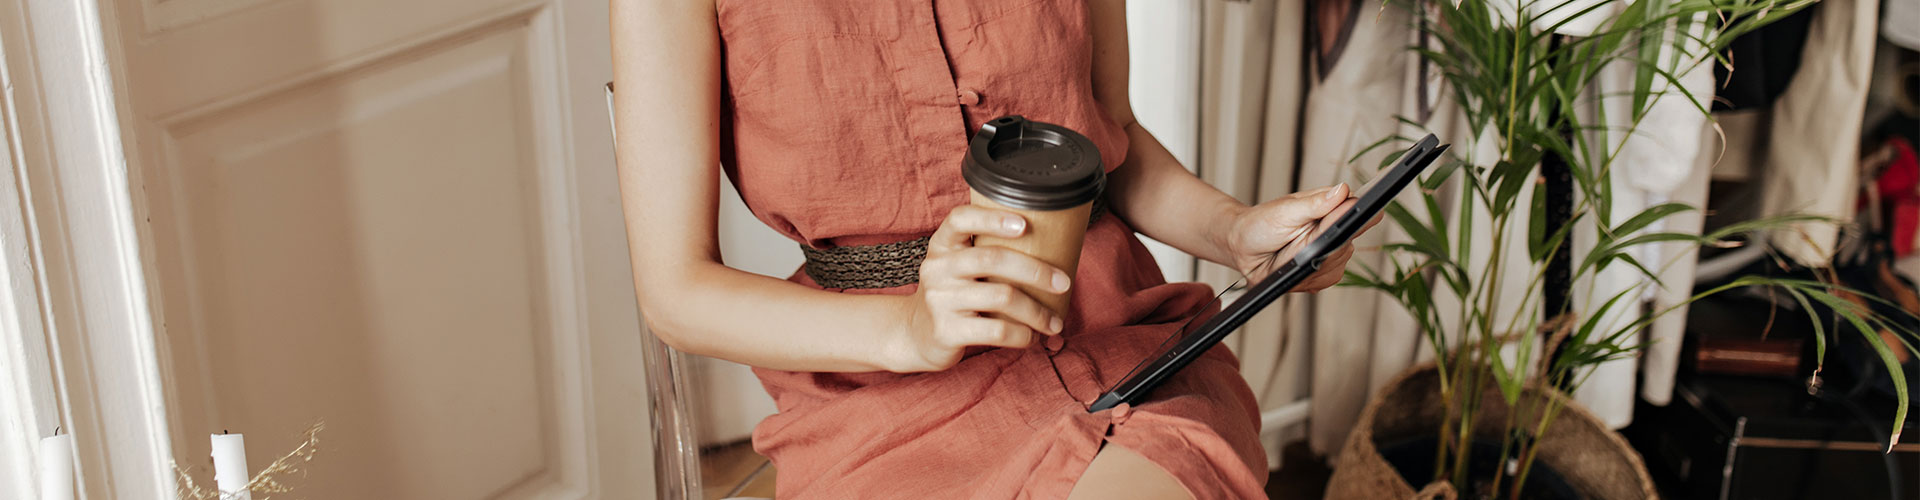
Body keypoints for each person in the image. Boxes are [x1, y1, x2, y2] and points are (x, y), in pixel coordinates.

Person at [610, 0, 1374, 498]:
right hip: (876, 404)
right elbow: (676, 290)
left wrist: (1234, 233)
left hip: (1122, 349)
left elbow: (1115, 145)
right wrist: (909, 330)